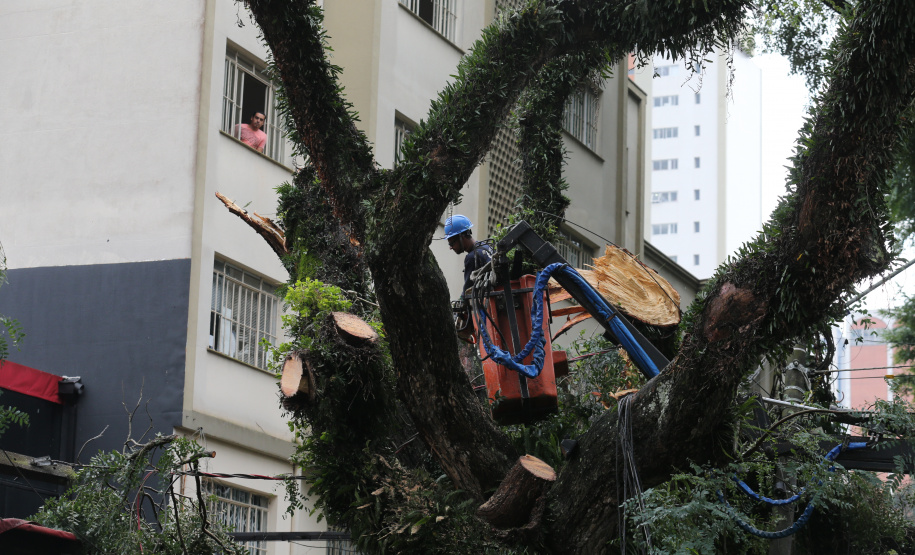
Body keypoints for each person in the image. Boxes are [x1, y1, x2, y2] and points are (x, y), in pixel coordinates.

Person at [445, 214, 492, 296]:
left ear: (461, 237)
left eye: (451, 243)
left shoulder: (472, 257)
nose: (451, 247)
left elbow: (468, 290)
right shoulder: (486, 246)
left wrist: (461, 300)